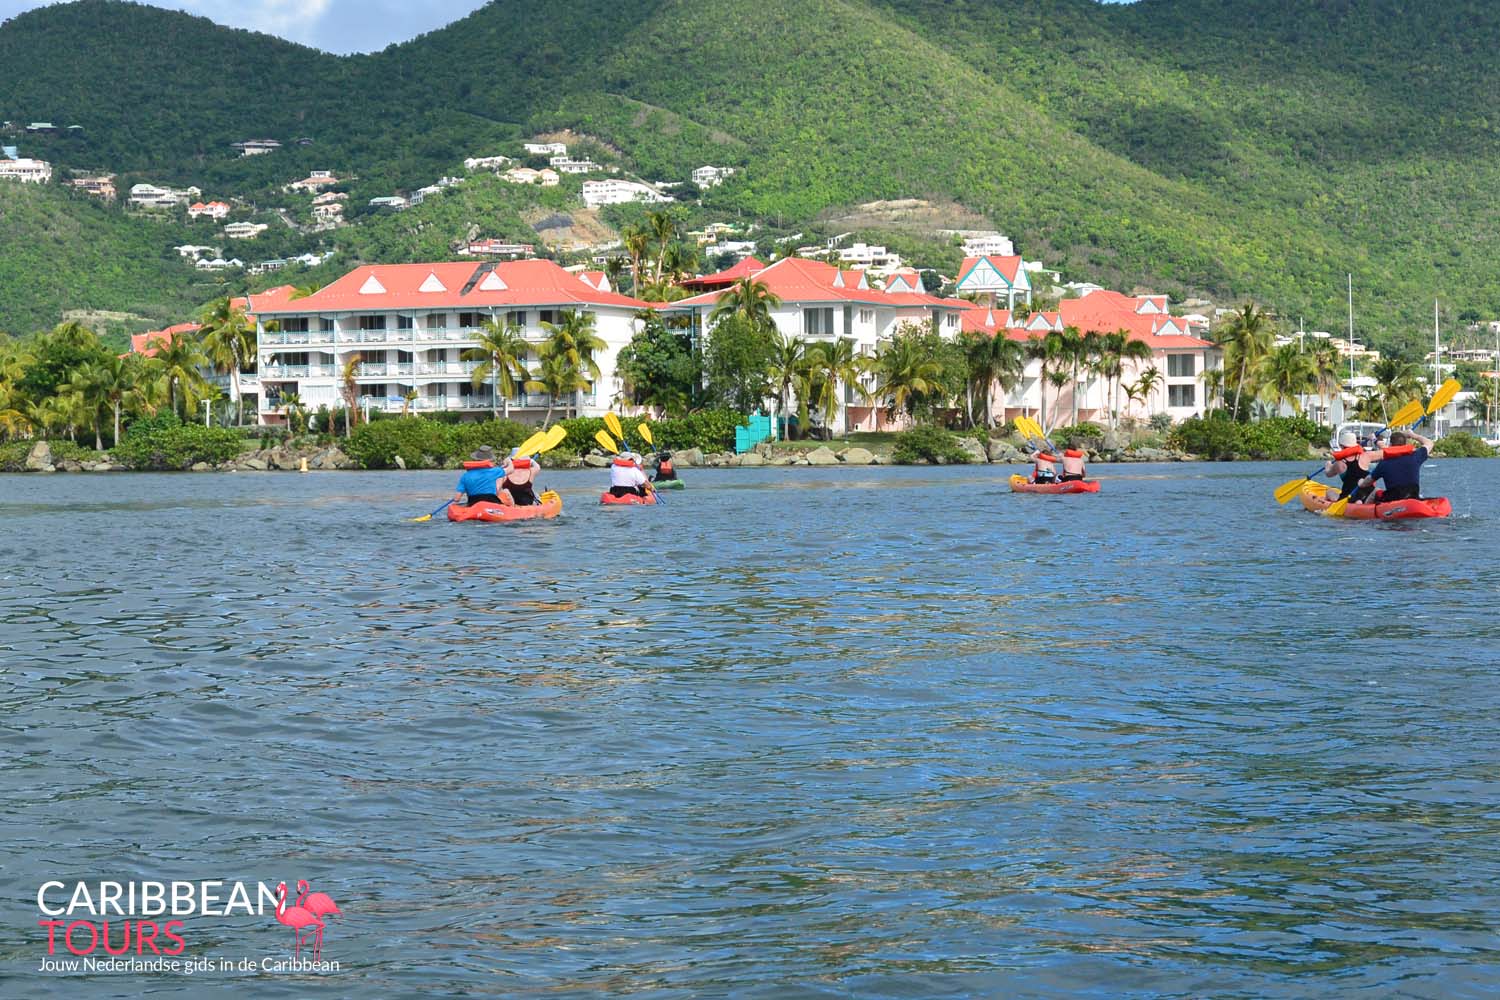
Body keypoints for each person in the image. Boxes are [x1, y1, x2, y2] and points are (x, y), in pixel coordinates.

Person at [1358, 429, 1434, 502]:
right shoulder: (1416, 456)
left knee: (1376, 491)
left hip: (1393, 499)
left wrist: (1361, 483)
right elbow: (1429, 443)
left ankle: (1365, 511)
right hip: (1412, 496)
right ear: (1405, 444)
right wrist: (1412, 435)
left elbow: (1369, 481)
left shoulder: (1384, 463)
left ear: (1391, 444)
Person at [1325, 430, 1375, 501]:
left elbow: (1328, 474)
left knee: (1329, 491)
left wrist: (1327, 465)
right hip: (1368, 494)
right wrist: (1374, 439)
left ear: (1342, 446)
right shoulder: (1366, 456)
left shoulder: (1339, 463)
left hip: (1349, 496)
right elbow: (1385, 451)